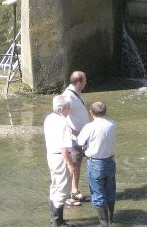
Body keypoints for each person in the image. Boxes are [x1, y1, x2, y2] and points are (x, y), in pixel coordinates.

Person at [77, 101, 117, 227]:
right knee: (110, 191)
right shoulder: (112, 124)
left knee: (98, 194)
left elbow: (80, 142)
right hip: (110, 161)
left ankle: (103, 224)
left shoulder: (89, 127)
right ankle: (111, 219)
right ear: (105, 112)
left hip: (95, 163)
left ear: (91, 113)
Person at [44, 95, 77, 227]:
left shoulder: (49, 118)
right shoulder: (62, 122)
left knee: (55, 186)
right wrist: (70, 164)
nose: (70, 109)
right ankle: (57, 223)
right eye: (69, 107)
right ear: (62, 108)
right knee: (63, 189)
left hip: (51, 155)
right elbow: (64, 148)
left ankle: (56, 219)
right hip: (60, 157)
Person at [62, 70, 90, 205]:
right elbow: (62, 117)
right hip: (75, 138)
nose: (86, 82)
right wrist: (74, 131)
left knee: (77, 164)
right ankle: (71, 194)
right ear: (79, 82)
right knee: (73, 164)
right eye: (85, 80)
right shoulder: (68, 96)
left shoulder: (76, 94)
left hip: (81, 137)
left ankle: (75, 190)